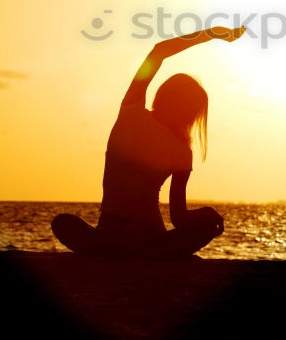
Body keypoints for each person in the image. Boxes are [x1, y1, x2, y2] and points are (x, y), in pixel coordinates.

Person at [52, 25, 246, 259]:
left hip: (146, 239)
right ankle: (132, 253)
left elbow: (178, 217)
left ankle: (118, 253)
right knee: (63, 222)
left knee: (66, 225)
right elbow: (158, 53)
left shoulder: (177, 146)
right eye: (191, 107)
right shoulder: (133, 113)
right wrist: (212, 33)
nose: (190, 114)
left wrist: (207, 214)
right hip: (131, 238)